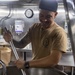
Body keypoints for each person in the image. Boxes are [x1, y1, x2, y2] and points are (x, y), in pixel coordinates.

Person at [3, 0, 68, 75]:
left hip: (51, 72)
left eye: (48, 16)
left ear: (55, 14)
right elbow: (21, 44)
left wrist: (26, 64)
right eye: (41, 15)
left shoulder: (59, 32)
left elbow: (53, 60)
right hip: (36, 71)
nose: (44, 19)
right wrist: (10, 40)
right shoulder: (35, 28)